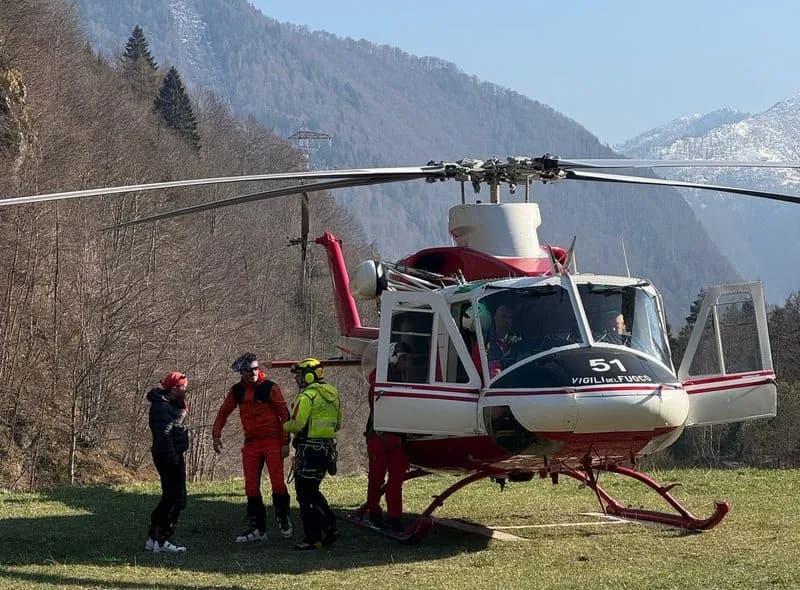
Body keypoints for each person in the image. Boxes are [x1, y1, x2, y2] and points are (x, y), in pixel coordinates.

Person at [212, 352, 292, 542]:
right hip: (252, 443)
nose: (253, 373)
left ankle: (283, 517)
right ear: (241, 373)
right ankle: (257, 528)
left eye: (255, 369)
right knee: (251, 487)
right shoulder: (236, 391)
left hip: (272, 441)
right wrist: (216, 435)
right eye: (249, 371)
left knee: (278, 483)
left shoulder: (271, 388)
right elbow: (223, 411)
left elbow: (284, 415)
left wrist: (285, 442)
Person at [283, 357, 342, 550]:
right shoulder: (333, 394)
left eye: (299, 375)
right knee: (313, 491)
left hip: (308, 450)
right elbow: (338, 424)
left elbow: (297, 424)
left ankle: (313, 537)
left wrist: (282, 426)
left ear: (308, 376)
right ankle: (329, 527)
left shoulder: (307, 396)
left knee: (304, 494)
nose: (296, 379)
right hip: (326, 451)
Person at [145, 371, 190, 553]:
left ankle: (153, 538)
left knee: (169, 497)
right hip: (168, 456)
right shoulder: (163, 408)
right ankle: (163, 539)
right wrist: (172, 458)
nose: (186, 390)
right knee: (176, 499)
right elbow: (164, 435)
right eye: (183, 387)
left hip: (170, 454)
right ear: (174, 389)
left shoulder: (169, 404)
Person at [364, 370, 409, 533]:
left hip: (398, 439)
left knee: (396, 481)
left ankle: (394, 518)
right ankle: (374, 513)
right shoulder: (379, 378)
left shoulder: (407, 379)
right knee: (376, 478)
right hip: (379, 437)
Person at [486, 304, 523, 377]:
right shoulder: (485, 340)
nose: (508, 320)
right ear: (495, 317)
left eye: (510, 317)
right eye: (504, 316)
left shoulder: (519, 341)